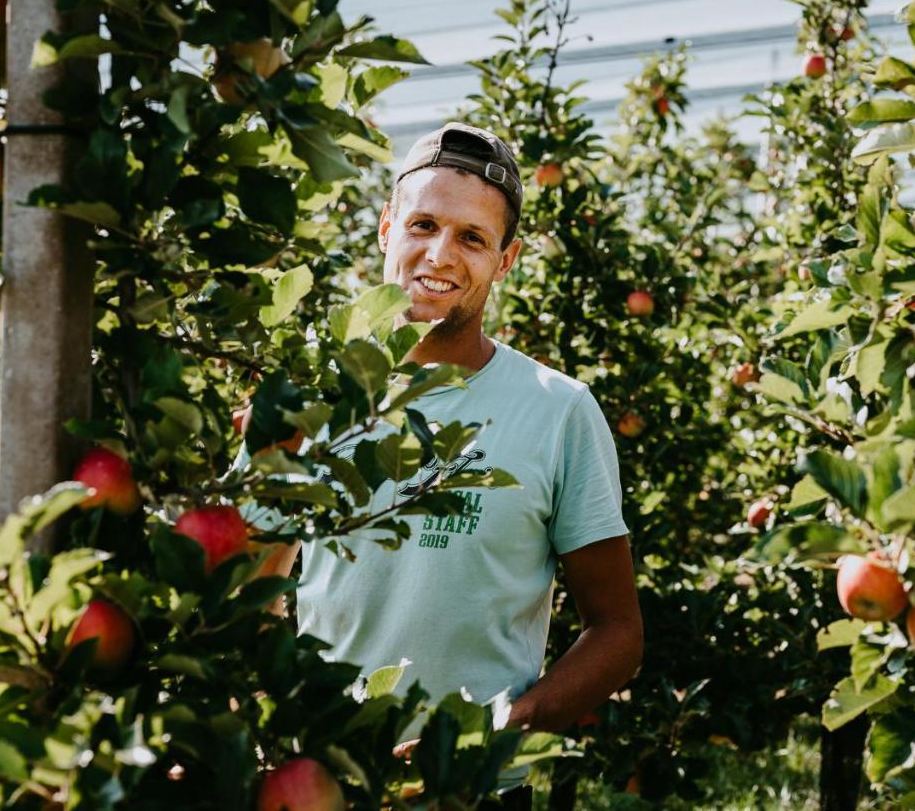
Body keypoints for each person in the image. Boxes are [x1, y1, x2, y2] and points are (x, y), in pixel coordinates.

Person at [260, 122, 643, 809]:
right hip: (321, 783)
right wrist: (274, 731)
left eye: (472, 237)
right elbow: (246, 596)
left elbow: (617, 631)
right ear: (386, 229)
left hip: (478, 791)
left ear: (507, 259)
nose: (440, 253)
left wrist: (500, 731)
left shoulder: (560, 410)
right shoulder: (307, 398)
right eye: (424, 224)